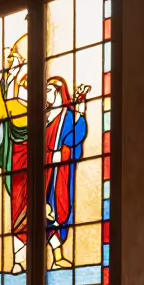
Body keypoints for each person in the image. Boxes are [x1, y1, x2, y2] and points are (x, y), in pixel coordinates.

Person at [0, 34, 28, 275]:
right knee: (18, 207)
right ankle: (19, 260)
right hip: (17, 155)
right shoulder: (10, 90)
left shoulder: (34, 84)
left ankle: (47, 259)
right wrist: (6, 80)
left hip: (40, 156)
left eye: (14, 58)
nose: (11, 62)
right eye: (10, 58)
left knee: (43, 206)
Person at [45, 76, 90, 269]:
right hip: (45, 174)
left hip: (60, 173)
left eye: (48, 90)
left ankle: (57, 258)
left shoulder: (67, 115)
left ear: (58, 92)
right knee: (45, 213)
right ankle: (52, 257)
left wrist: (80, 115)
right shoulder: (44, 118)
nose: (45, 94)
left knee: (59, 210)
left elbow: (75, 139)